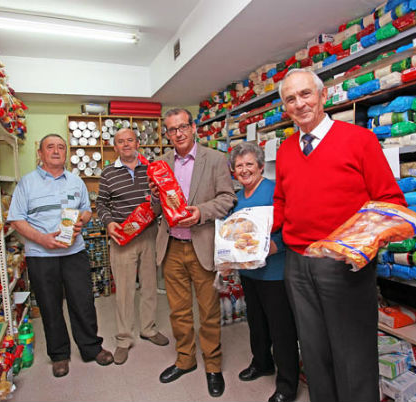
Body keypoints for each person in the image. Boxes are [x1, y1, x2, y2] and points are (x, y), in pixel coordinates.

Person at [274, 69, 406, 402]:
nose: (300, 104)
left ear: (322, 96)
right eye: (291, 99)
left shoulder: (359, 139)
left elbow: (390, 202)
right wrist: (251, 233)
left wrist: (362, 245)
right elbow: (282, 202)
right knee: (314, 351)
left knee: (353, 353)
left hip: (343, 265)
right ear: (285, 108)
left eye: (306, 94)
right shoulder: (286, 150)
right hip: (297, 263)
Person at [8, 134, 113, 378]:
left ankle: (91, 348)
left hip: (74, 252)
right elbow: (16, 219)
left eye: (61, 147)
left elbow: (86, 211)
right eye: (50, 147)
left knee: (83, 301)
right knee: (50, 305)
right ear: (40, 153)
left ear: (65, 153)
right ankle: (59, 355)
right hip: (41, 254)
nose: (56, 151)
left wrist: (80, 222)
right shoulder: (27, 183)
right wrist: (42, 239)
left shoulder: (76, 182)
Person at [149, 108, 236, 398]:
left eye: (183, 127)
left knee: (209, 312)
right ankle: (185, 360)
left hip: (203, 245)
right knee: (178, 311)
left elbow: (227, 199)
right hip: (172, 246)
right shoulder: (161, 163)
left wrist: (200, 213)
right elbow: (157, 209)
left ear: (194, 127)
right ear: (168, 134)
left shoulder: (215, 159)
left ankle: (213, 366)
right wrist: (154, 195)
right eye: (172, 130)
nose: (178, 134)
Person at [228, 142, 299, 402]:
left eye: (249, 164)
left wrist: (275, 246)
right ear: (234, 171)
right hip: (249, 274)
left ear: (260, 166)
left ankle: (287, 384)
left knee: (282, 329)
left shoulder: (274, 191)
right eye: (239, 166)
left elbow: (294, 225)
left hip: (275, 273)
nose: (244, 170)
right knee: (256, 323)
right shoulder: (238, 197)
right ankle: (261, 363)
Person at [96, 128, 169, 365]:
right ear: (114, 147)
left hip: (149, 235)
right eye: (120, 142)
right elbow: (101, 204)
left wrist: (157, 200)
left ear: (137, 143)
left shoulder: (152, 168)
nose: (126, 145)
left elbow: (160, 202)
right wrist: (109, 223)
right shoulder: (108, 173)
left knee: (149, 285)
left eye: (130, 140)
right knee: (125, 290)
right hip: (122, 238)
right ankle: (123, 339)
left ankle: (148, 329)